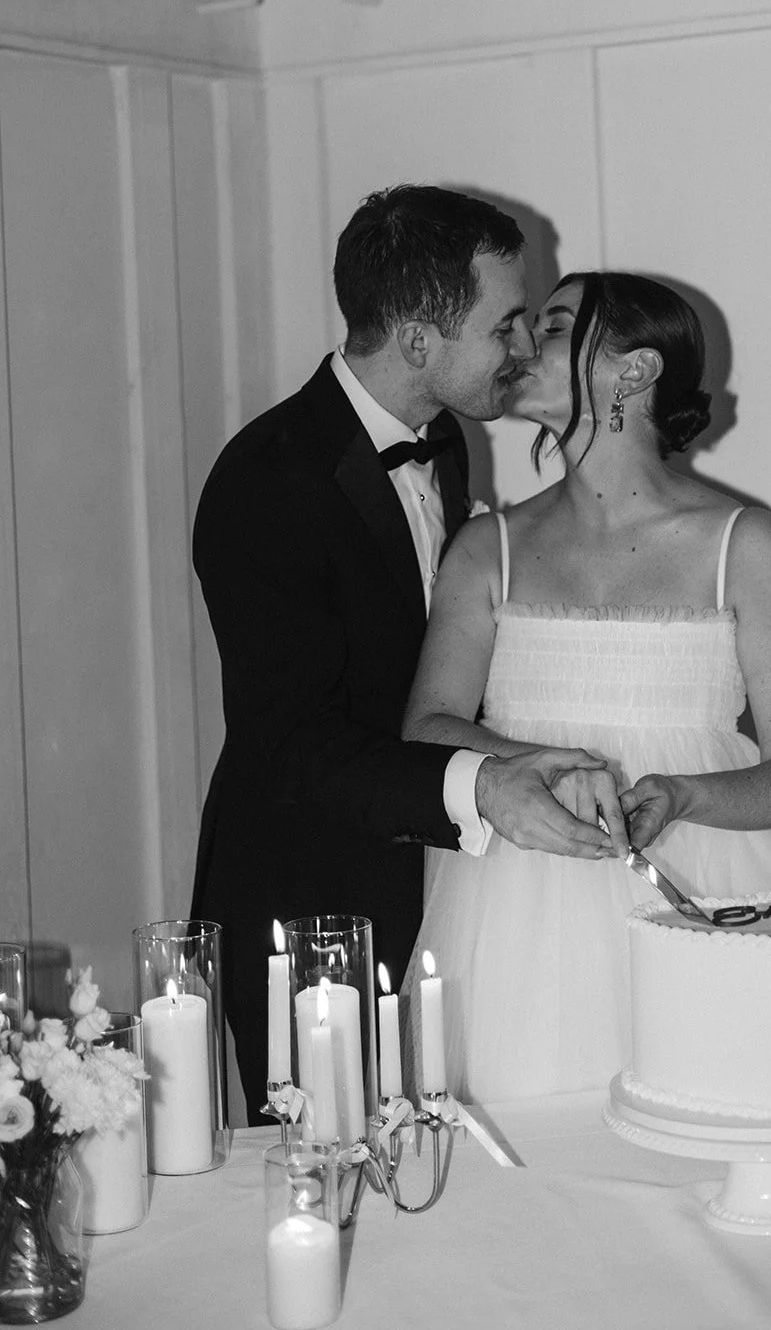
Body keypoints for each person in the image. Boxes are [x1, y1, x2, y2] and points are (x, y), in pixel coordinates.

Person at [190, 189, 625, 1123]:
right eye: (505, 322)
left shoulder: (450, 439)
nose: (523, 346)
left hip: (436, 885)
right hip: (313, 908)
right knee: (339, 1191)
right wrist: (482, 785)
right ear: (420, 342)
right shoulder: (265, 482)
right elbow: (296, 745)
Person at [401, 269, 771, 1101]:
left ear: (635, 371)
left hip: (710, 889)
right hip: (518, 908)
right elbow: (427, 728)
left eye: (559, 326)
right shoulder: (484, 548)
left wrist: (679, 794)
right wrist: (541, 763)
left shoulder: (744, 543)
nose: (525, 343)